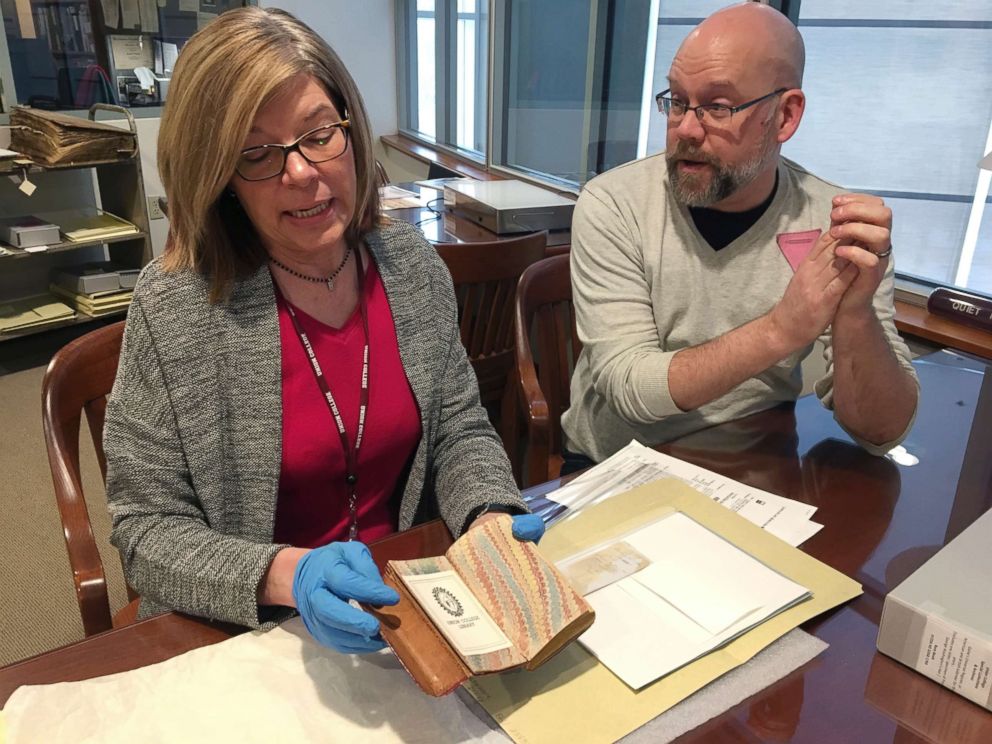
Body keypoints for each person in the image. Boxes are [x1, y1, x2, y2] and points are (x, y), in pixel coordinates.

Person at [104, 7, 542, 655]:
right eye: (257, 153)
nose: (303, 171)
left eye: (318, 134)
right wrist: (287, 573)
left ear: (350, 130)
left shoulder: (411, 268)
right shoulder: (178, 305)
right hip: (246, 629)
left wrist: (488, 516)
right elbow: (145, 530)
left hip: (402, 608)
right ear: (220, 175)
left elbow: (459, 432)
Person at [561, 2, 919, 468]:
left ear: (786, 116)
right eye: (676, 100)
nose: (685, 128)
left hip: (760, 466)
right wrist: (780, 330)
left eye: (717, 106)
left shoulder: (834, 225)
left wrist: (854, 316)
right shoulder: (615, 202)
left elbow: (881, 433)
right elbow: (630, 390)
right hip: (617, 465)